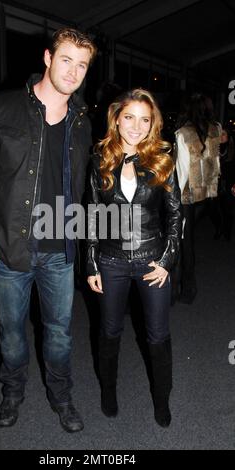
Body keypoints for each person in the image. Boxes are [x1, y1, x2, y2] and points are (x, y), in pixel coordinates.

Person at [0, 28, 97, 433]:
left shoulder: (83, 122)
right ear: (48, 58)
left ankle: (62, 397)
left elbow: (87, 187)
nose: (73, 71)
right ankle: (13, 392)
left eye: (82, 65)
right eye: (67, 60)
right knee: (13, 334)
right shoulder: (0, 110)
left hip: (60, 248)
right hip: (9, 246)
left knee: (59, 335)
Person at [86, 89, 181, 427]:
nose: (136, 126)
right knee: (109, 332)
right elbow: (93, 215)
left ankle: (162, 399)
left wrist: (167, 261)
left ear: (153, 123)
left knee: (157, 336)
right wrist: (91, 264)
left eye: (145, 119)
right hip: (110, 261)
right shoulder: (99, 159)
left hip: (152, 261)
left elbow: (175, 217)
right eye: (129, 117)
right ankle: (108, 391)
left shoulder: (163, 160)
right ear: (116, 119)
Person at [175, 93, 222, 304]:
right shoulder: (215, 130)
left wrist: (173, 199)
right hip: (205, 195)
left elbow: (181, 172)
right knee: (187, 241)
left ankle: (184, 289)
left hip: (186, 197)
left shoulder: (182, 133)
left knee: (183, 244)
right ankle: (185, 288)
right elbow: (217, 164)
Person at [217, 127, 235, 240]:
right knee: (218, 209)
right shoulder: (215, 149)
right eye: (220, 134)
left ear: (228, 137)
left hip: (230, 183)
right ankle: (220, 228)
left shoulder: (233, 149)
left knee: (228, 210)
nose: (221, 136)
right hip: (217, 183)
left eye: (224, 134)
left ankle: (227, 231)